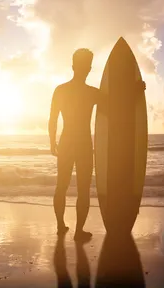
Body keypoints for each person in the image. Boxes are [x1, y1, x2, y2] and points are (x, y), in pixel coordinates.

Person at [49, 48, 145, 241]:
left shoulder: (60, 90)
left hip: (67, 141)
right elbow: (115, 104)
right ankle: (78, 232)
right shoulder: (92, 93)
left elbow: (52, 120)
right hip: (83, 143)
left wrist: (52, 142)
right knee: (83, 189)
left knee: (62, 186)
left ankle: (61, 226)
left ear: (73, 66)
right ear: (89, 68)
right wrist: (134, 90)